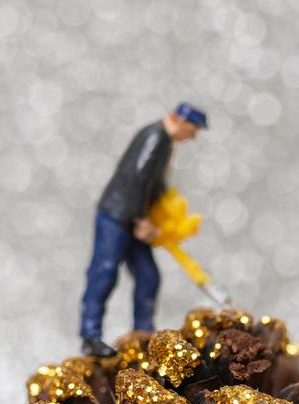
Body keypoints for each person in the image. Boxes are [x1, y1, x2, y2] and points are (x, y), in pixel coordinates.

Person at [78, 102, 208, 357]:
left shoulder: (164, 142)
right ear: (182, 122)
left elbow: (153, 184)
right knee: (103, 273)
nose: (192, 138)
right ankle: (90, 336)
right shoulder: (155, 137)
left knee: (148, 275)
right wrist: (141, 220)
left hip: (133, 218)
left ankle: (144, 334)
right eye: (193, 131)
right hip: (117, 217)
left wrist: (164, 217)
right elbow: (135, 180)